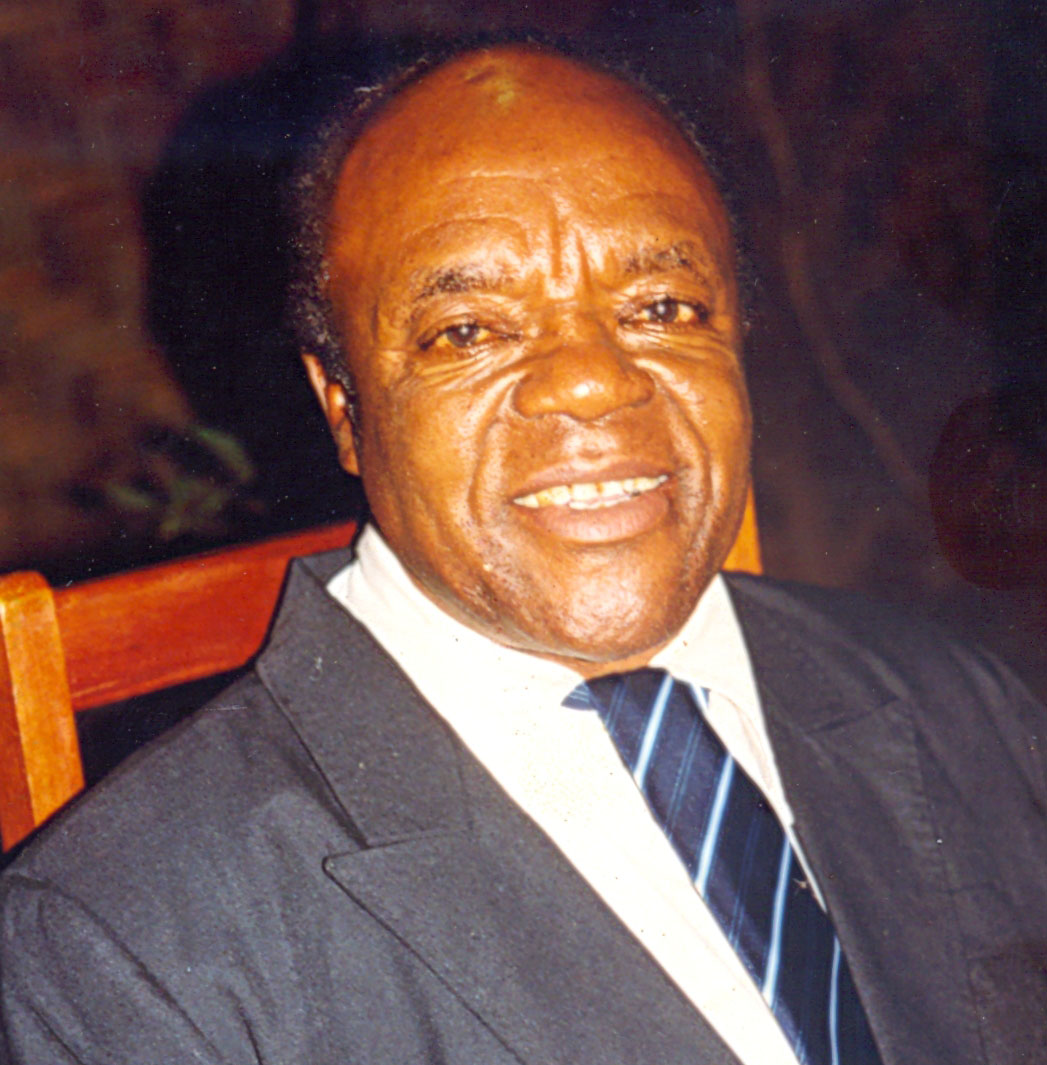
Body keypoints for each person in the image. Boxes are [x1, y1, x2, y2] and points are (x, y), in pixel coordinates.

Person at [1, 43, 1045, 1065]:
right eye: (467, 331)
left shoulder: (958, 705)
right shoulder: (121, 952)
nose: (593, 380)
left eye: (662, 308)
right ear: (346, 410)